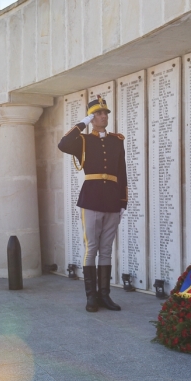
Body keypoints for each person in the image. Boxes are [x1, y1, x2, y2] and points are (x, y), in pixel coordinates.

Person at [58, 95, 128, 313]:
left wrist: (123, 201)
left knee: (106, 248)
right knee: (92, 248)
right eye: (98, 113)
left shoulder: (117, 140)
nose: (103, 116)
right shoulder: (84, 141)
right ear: (91, 116)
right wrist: (84, 122)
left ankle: (104, 295)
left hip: (112, 199)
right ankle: (91, 297)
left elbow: (122, 172)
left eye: (105, 113)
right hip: (92, 198)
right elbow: (63, 143)